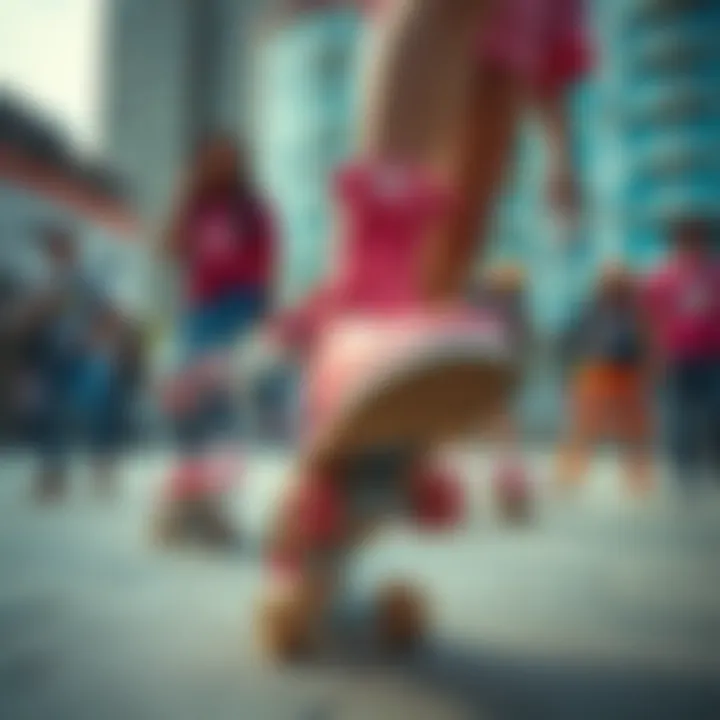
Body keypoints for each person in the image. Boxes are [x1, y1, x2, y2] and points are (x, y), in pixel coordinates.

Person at [159, 132, 276, 541]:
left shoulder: (253, 210)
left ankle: (210, 509)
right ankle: (187, 508)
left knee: (223, 413)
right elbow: (169, 250)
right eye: (212, 158)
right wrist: (182, 189)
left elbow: (266, 269)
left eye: (230, 158)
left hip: (237, 315)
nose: (222, 166)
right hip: (199, 315)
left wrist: (259, 326)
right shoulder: (195, 206)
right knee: (189, 412)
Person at [8, 227, 110, 500]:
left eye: (63, 248)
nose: (58, 255)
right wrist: (32, 314)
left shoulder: (87, 282)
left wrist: (93, 341)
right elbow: (23, 321)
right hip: (51, 355)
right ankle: (53, 476)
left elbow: (103, 316)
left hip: (82, 356)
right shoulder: (42, 283)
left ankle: (100, 469)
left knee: (90, 413)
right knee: (50, 416)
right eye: (54, 249)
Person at [557, 263, 653, 495]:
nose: (615, 289)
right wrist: (572, 371)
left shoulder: (636, 311)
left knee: (633, 431)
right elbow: (572, 342)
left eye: (619, 284)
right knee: (583, 428)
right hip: (595, 372)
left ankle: (637, 477)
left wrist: (649, 369)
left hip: (627, 374)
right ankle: (570, 473)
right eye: (611, 284)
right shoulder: (588, 309)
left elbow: (646, 343)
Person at [643, 219, 720, 495]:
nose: (691, 246)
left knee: (714, 412)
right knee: (679, 415)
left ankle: (713, 464)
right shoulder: (663, 275)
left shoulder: (715, 273)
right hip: (677, 354)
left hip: (712, 353)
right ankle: (683, 470)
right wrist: (654, 353)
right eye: (686, 240)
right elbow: (651, 319)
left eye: (696, 239)